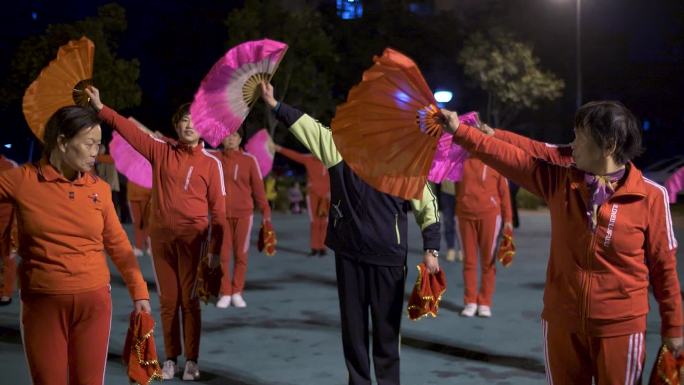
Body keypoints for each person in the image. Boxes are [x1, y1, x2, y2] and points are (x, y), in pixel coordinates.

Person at [441, 101, 683, 385]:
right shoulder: (560, 180)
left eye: (580, 137)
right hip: (562, 323)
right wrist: (463, 132)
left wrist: (674, 328)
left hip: (620, 327)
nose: (572, 144)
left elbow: (664, 270)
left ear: (608, 145)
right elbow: (517, 156)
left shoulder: (651, 197)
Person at [260, 82, 440, 385]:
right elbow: (310, 128)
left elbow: (427, 206)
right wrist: (275, 105)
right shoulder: (339, 151)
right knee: (353, 330)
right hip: (350, 255)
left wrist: (431, 249)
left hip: (389, 259)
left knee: (386, 331)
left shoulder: (405, 162)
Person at [0, 105, 150, 385]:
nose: (96, 151)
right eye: (89, 143)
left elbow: (118, 243)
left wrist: (139, 291)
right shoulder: (22, 180)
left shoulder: (99, 189)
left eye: (98, 144)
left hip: (94, 304)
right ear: (62, 141)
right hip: (42, 303)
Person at [87, 87, 226, 381]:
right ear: (177, 126)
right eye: (184, 120)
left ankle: (192, 360)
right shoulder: (160, 151)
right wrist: (102, 109)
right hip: (162, 239)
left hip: (194, 241)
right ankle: (171, 358)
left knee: (189, 302)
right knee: (167, 301)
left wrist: (214, 252)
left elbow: (220, 213)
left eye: (195, 120)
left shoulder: (212, 164)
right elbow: (130, 131)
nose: (189, 125)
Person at [214, 130, 271, 309]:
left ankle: (237, 291)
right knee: (222, 256)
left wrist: (266, 213)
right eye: (227, 136)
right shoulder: (214, 158)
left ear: (239, 139)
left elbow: (258, 189)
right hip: (221, 215)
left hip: (244, 215)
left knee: (241, 255)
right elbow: (191, 150)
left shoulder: (249, 160)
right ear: (222, 139)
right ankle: (225, 292)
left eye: (234, 136)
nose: (230, 139)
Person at [455, 157, 512, 317]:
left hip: (490, 216)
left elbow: (504, 192)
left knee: (488, 261)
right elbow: (451, 185)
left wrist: (508, 219)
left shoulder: (495, 162)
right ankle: (470, 301)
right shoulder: (459, 161)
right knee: (469, 261)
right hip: (464, 216)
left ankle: (485, 302)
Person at [275, 144, 330, 256]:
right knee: (314, 222)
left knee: (324, 223)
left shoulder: (330, 161)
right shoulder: (308, 159)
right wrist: (279, 149)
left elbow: (336, 177)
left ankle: (323, 247)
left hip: (326, 196)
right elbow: (295, 155)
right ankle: (315, 248)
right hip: (312, 195)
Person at [0, 155, 18, 305]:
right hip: (7, 218)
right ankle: (5, 292)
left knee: (8, 255)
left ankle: (5, 293)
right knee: (7, 256)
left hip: (7, 219)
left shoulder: (10, 166)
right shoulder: (11, 166)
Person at [438, 181, 463, 262]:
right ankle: (450, 248)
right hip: (446, 191)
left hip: (462, 191)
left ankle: (462, 249)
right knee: (448, 221)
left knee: (461, 222)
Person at [127, 180, 152, 257]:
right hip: (141, 194)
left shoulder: (132, 170)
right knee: (143, 222)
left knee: (140, 222)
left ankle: (141, 247)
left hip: (137, 194)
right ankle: (144, 247)